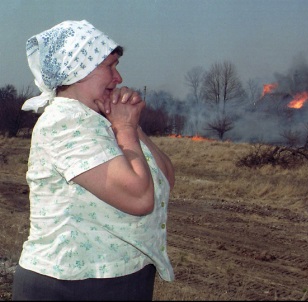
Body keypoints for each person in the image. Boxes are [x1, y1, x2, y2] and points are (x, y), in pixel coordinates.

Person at [12, 20, 175, 301]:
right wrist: (124, 128)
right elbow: (139, 198)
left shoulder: (98, 119)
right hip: (72, 285)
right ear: (78, 67)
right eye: (110, 66)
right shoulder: (64, 121)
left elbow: (166, 178)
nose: (119, 77)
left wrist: (131, 125)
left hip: (118, 278)